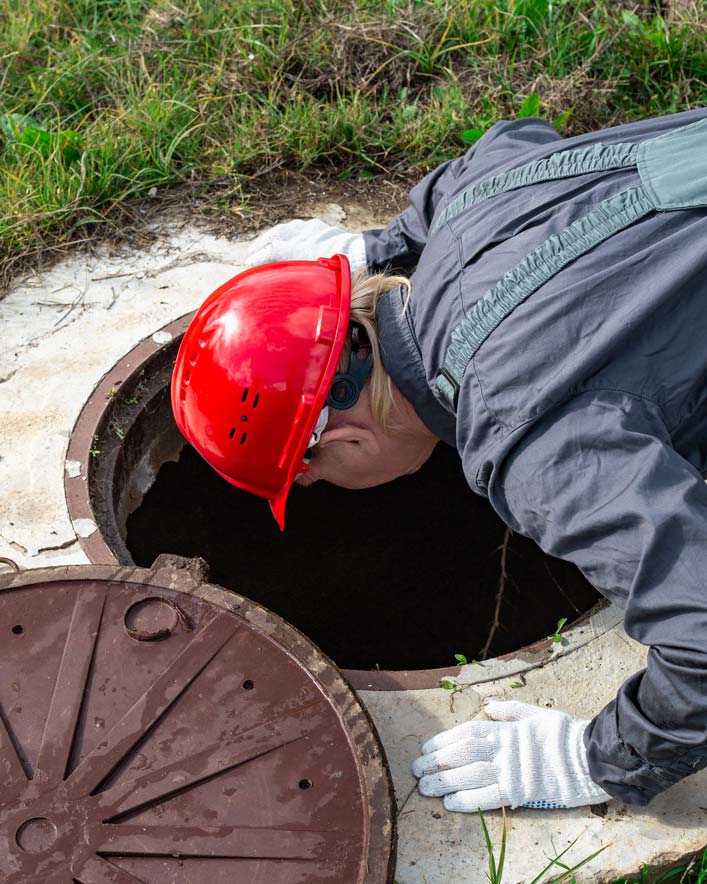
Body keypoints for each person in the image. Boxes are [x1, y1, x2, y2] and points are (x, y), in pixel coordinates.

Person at [172, 107, 707, 813]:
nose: (322, 487)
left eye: (314, 477)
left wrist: (596, 760)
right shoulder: (473, 204)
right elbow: (505, 142)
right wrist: (379, 245)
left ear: (341, 442)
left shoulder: (530, 440)